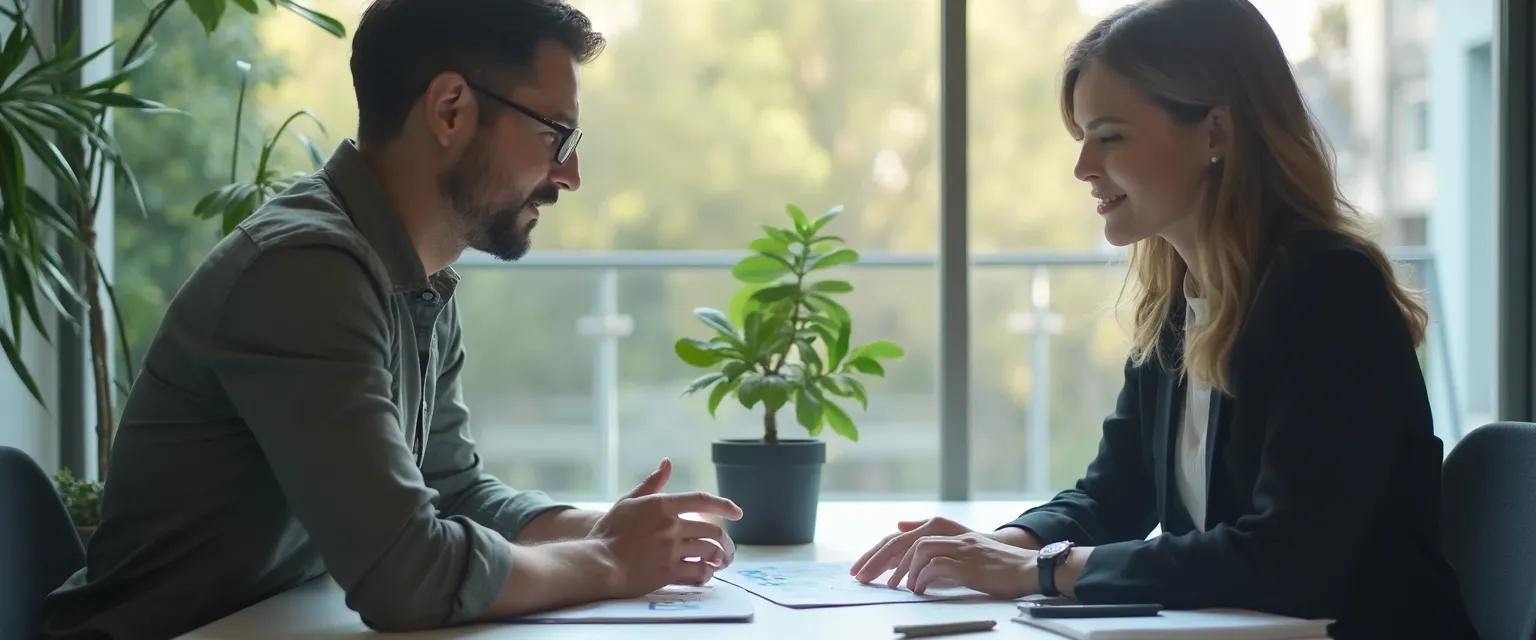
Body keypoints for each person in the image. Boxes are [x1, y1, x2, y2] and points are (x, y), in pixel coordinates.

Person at [41, 1, 740, 638]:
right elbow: (406, 577)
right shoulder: (306, 272)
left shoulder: (413, 274)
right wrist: (611, 564)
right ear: (449, 110)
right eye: (556, 134)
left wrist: (614, 530)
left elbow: (451, 491)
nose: (571, 173)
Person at [849, 1, 1473, 637]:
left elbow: (1292, 559)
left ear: (1214, 134)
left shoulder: (1329, 290)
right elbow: (1112, 495)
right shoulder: (1183, 301)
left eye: (1110, 136)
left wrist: (1042, 568)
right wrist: (998, 545)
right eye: (1083, 138)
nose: (1083, 166)